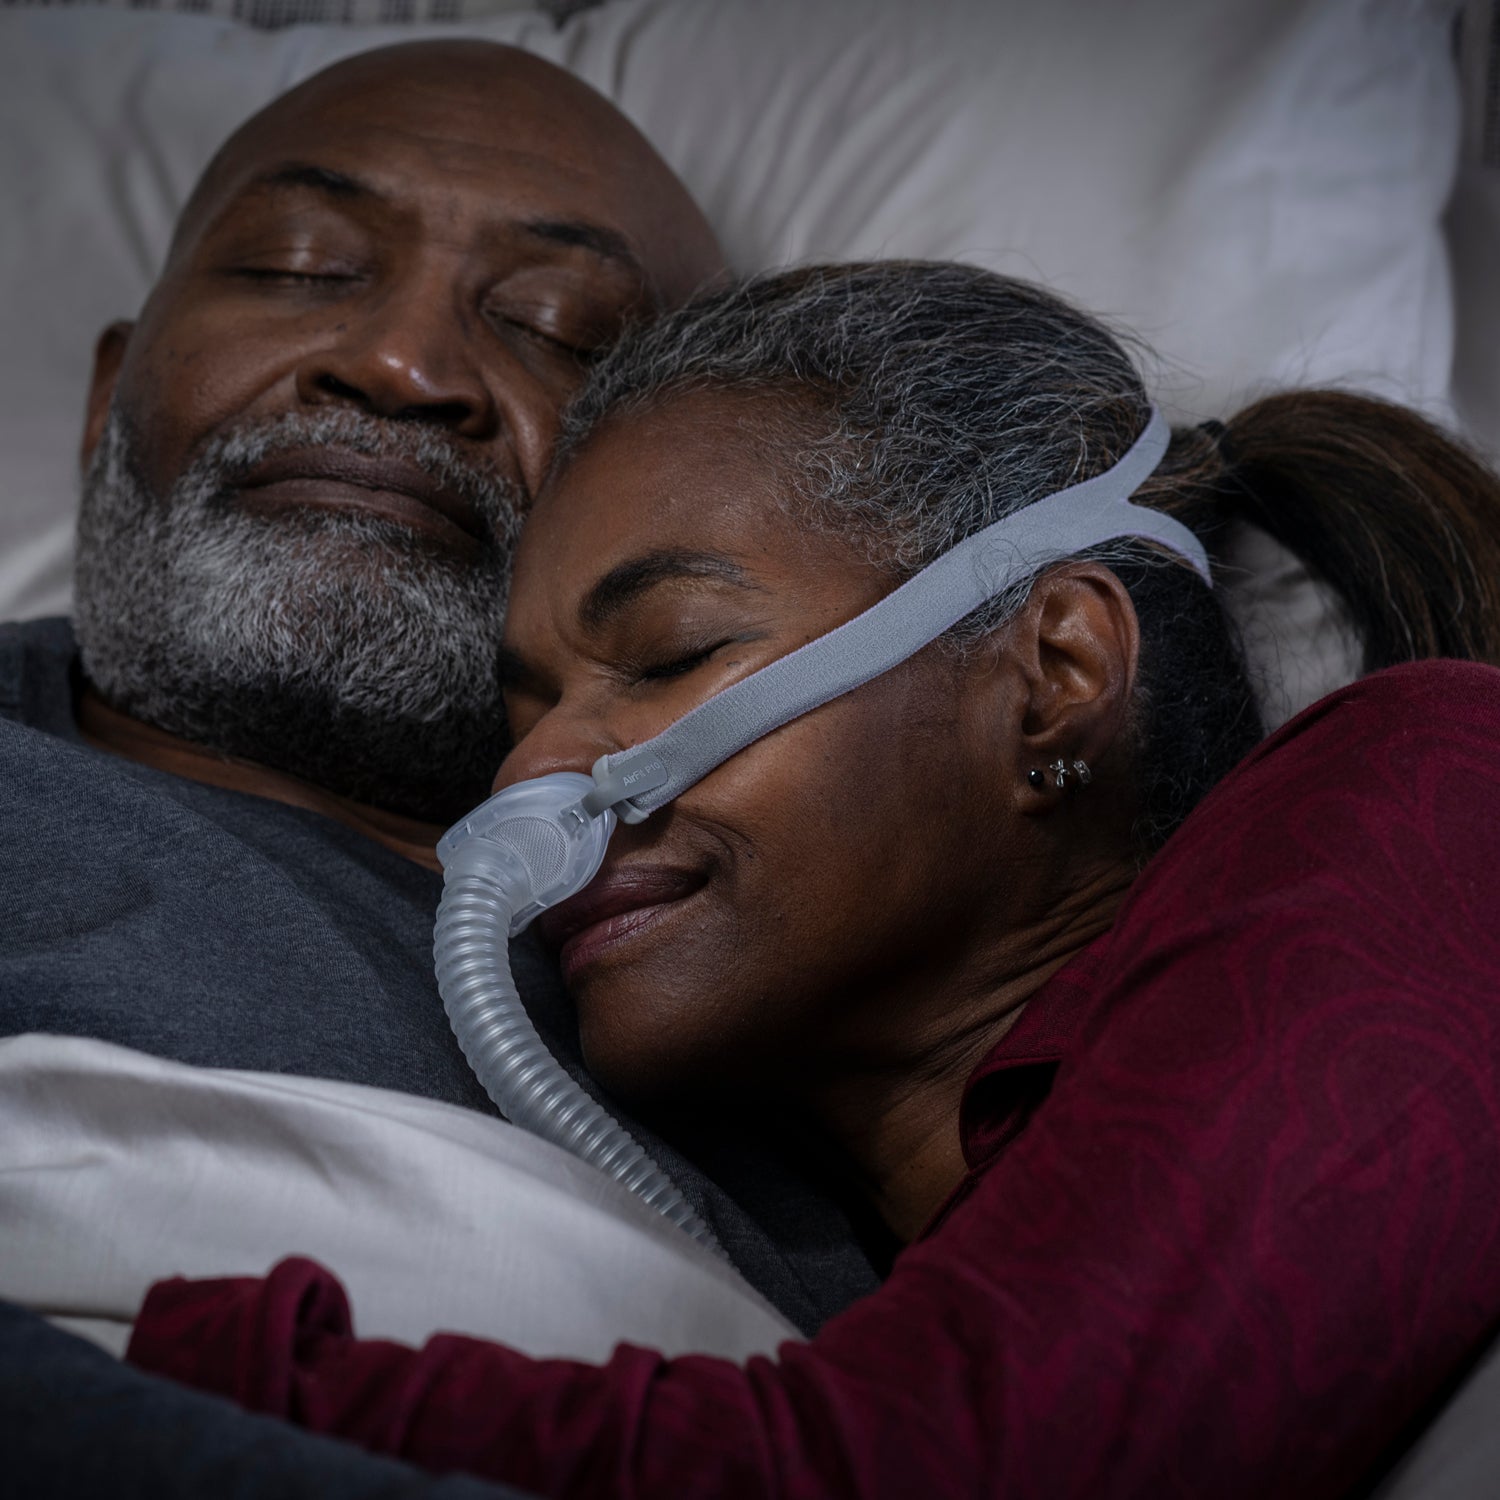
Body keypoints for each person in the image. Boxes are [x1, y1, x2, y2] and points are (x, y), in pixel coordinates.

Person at [127, 261, 1500, 1498]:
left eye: (666, 654)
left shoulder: (1437, 782)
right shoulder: (841, 1259)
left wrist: (127, 1344)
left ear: (1059, 673)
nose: (532, 779)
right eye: (518, 718)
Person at [0, 39, 879, 1500]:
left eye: (556, 327)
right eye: (297, 265)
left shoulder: (810, 954)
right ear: (109, 398)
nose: (405, 366)